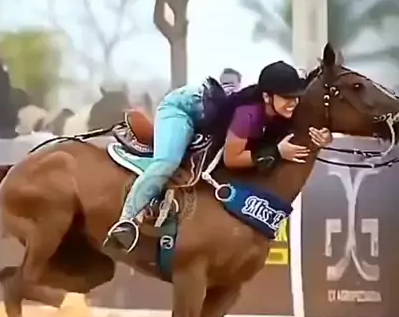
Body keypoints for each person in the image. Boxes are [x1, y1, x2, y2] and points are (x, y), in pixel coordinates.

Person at [103, 61, 332, 253]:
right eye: (287, 97)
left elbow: (309, 127)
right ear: (266, 96)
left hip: (209, 115)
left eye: (296, 97)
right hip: (182, 108)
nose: (294, 102)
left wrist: (324, 137)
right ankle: (126, 221)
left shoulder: (281, 107)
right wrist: (277, 152)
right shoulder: (248, 114)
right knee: (167, 163)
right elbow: (233, 158)